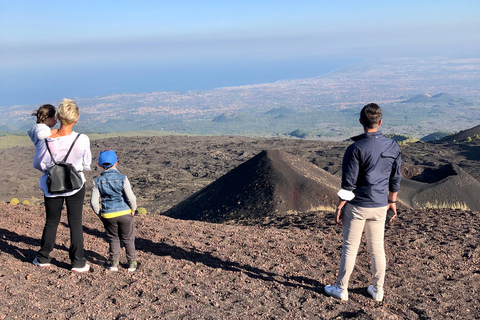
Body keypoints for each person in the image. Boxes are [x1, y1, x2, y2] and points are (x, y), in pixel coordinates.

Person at [324, 103, 401, 302]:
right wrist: (392, 201)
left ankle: (341, 289)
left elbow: (348, 184)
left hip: (357, 206)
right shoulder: (393, 147)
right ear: (380, 122)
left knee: (350, 248)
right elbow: (395, 178)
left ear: (361, 122)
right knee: (377, 249)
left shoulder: (355, 149)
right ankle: (378, 290)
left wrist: (340, 206)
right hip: (379, 206)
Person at [32, 99, 92, 272]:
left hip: (52, 186)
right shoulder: (82, 139)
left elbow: (38, 164)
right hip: (75, 185)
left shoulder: (46, 139)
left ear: (58, 117)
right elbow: (86, 164)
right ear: (76, 120)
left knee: (51, 221)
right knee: (75, 222)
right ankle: (78, 262)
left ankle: (43, 258)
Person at [90, 150, 138, 272]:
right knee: (128, 239)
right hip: (125, 213)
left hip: (108, 214)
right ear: (116, 163)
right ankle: (132, 263)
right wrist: (133, 209)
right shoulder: (123, 178)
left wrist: (100, 214)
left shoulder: (97, 181)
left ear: (99, 165)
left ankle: (113, 264)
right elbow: (131, 197)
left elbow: (94, 202)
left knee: (113, 238)